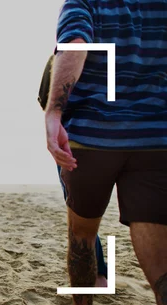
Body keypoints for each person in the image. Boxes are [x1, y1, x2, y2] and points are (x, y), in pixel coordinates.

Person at [45, 1, 167, 305]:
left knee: (83, 234)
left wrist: (54, 112)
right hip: (155, 138)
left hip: (93, 136)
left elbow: (74, 46)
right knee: (162, 268)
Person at [38, 55, 108, 288]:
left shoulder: (58, 60)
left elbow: (44, 98)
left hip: (73, 141)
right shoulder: (107, 55)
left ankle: (97, 278)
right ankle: (100, 276)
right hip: (114, 137)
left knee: (79, 214)